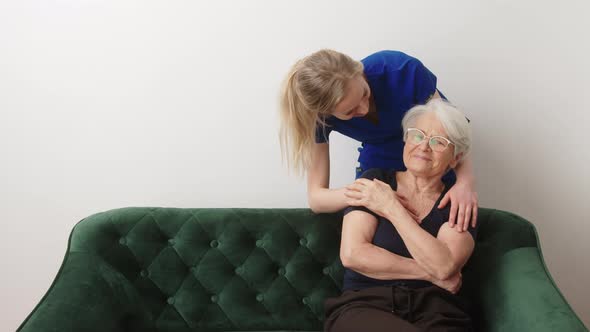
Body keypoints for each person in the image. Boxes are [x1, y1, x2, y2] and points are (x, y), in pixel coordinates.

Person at [279, 49, 477, 231]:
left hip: (433, 162)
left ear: (359, 71)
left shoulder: (402, 70)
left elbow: (454, 132)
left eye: (365, 93)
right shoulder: (319, 119)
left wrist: (465, 183)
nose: (364, 109)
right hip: (379, 170)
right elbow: (317, 198)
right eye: (350, 112)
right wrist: (370, 193)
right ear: (326, 113)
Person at [324, 98, 478, 331]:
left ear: (455, 158)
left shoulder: (457, 203)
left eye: (438, 142)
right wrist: (431, 276)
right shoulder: (374, 181)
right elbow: (353, 254)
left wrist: (392, 209)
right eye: (417, 135)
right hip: (366, 305)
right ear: (405, 140)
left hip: (438, 311)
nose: (424, 147)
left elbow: (444, 265)